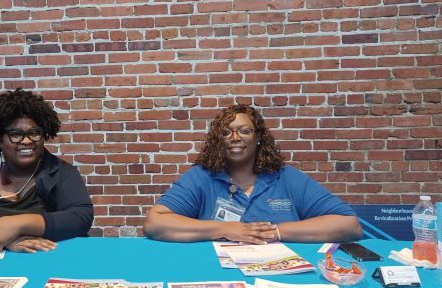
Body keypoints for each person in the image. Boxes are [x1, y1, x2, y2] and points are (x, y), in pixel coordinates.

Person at [143, 104, 362, 244]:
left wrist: (275, 231)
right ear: (218, 140)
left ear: (259, 138)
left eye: (245, 130)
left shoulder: (286, 177)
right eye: (226, 132)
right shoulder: (201, 177)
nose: (235, 137)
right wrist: (226, 229)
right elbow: (155, 223)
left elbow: (348, 225)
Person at [0, 88, 93, 253]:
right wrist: (5, 237)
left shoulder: (61, 172)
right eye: (16, 134)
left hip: (50, 257)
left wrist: (19, 224)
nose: (26, 141)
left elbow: (81, 217)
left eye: (34, 133)